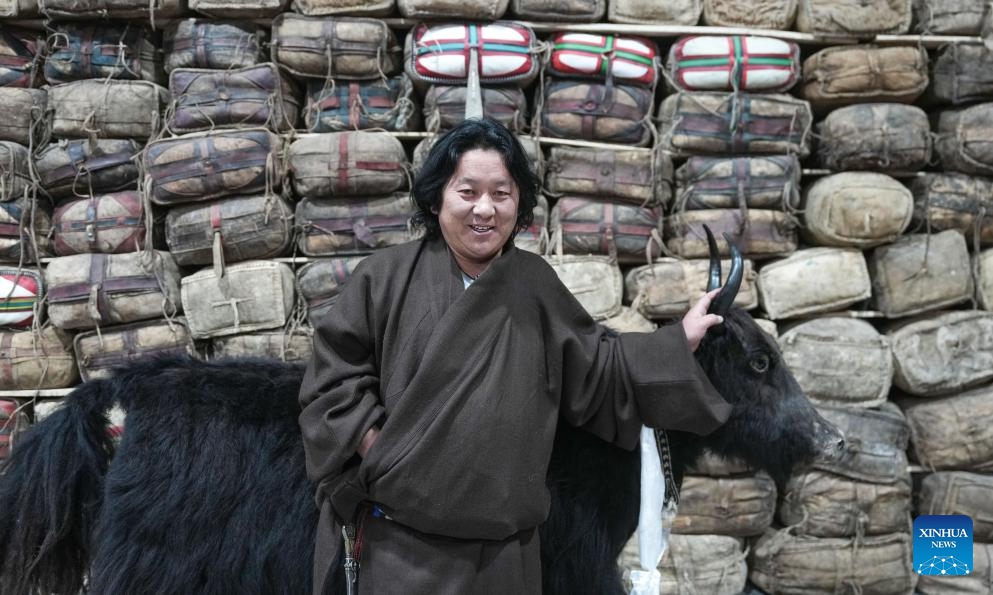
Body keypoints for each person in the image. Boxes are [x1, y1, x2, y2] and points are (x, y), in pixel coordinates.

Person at [298, 118, 731, 595]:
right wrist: (381, 451)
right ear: (436, 197)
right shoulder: (384, 278)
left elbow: (598, 368)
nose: (484, 209)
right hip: (401, 547)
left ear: (519, 202)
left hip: (503, 558)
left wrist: (677, 341)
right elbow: (332, 381)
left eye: (501, 194)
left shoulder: (534, 286)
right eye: (468, 192)